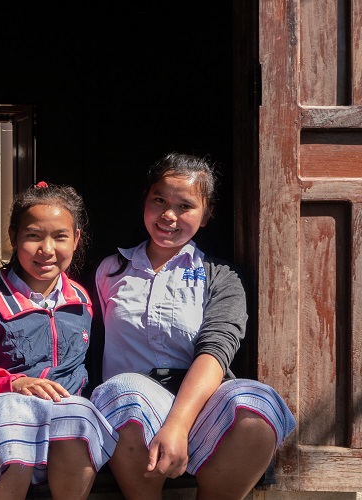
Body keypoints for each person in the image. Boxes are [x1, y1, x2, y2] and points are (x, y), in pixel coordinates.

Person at [86, 152, 296, 500]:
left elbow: (217, 349)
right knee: (126, 391)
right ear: (145, 201)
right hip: (127, 418)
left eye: (185, 206)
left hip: (199, 406)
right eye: (159, 200)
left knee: (259, 404)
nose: (169, 215)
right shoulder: (109, 270)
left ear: (206, 214)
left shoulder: (221, 276)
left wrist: (178, 425)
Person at [0, 181, 118, 500]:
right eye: (34, 236)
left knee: (79, 411)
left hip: (62, 447)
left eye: (60, 237)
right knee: (16, 411)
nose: (47, 250)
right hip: (0, 449)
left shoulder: (81, 301)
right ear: (13, 237)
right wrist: (13, 385)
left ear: (76, 239)